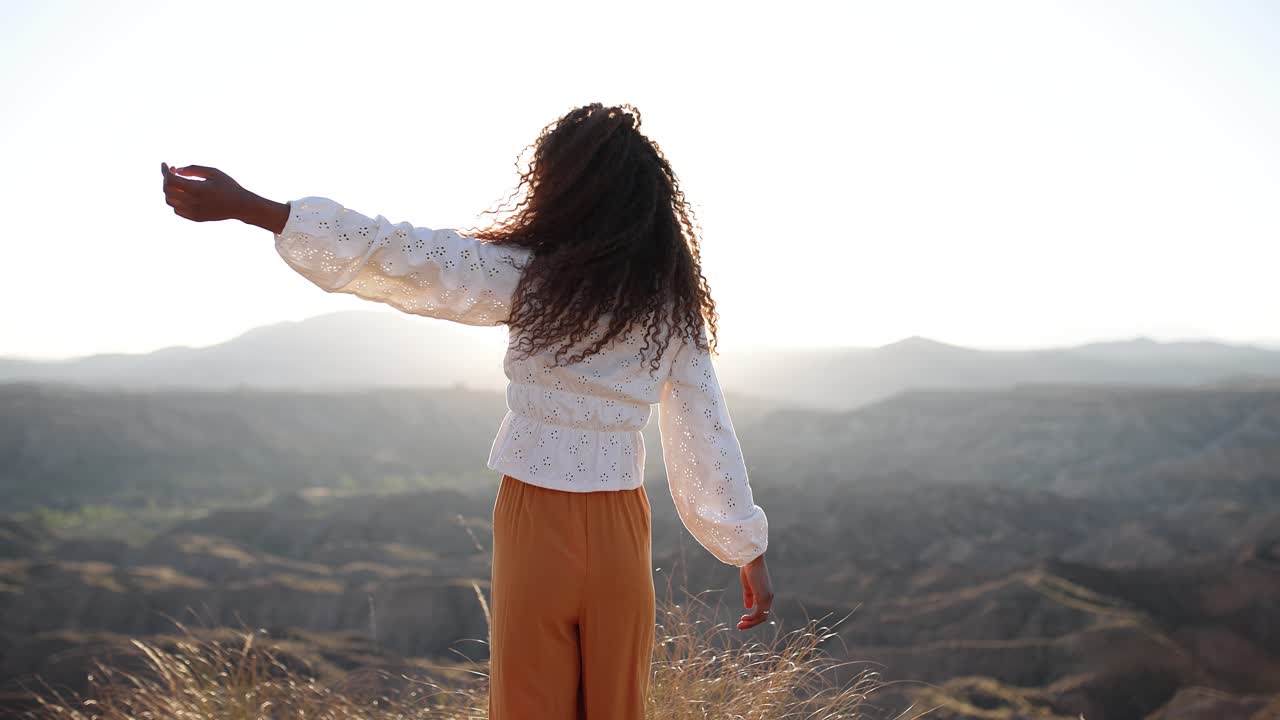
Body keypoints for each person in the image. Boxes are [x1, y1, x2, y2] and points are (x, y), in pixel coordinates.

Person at [159, 102, 773, 720]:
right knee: (615, 706)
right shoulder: (670, 311)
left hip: (535, 516)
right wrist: (745, 548)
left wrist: (250, 208)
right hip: (619, 526)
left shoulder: (532, 279)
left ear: (565, 191)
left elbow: (407, 254)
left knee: (529, 702)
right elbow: (705, 432)